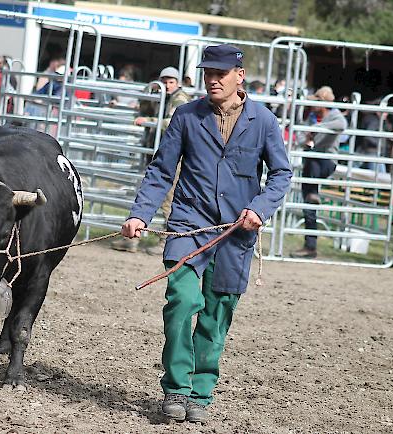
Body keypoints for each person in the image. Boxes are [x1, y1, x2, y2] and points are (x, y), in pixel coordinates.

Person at [120, 44, 292, 423]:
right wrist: (140, 214)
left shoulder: (263, 120)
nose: (212, 79)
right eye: (207, 73)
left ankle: (200, 392)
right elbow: (162, 171)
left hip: (237, 230)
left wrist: (259, 209)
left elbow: (281, 173)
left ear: (239, 75)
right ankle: (177, 388)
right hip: (188, 222)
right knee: (181, 300)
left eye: (220, 73)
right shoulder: (186, 116)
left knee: (217, 313)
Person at [112, 66, 191, 254]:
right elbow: (144, 105)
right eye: (164, 81)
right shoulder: (160, 96)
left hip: (174, 155)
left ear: (177, 83)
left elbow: (173, 121)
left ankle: (166, 240)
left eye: (171, 82)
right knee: (144, 193)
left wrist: (150, 120)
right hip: (155, 151)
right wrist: (150, 93)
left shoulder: (180, 99)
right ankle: (132, 238)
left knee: (167, 198)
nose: (167, 85)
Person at [291, 85, 347, 259]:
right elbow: (300, 137)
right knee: (309, 203)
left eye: (316, 102)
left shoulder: (334, 116)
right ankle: (310, 246)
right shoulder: (312, 118)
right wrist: (309, 133)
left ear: (322, 103)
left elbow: (341, 124)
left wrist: (316, 129)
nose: (312, 105)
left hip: (326, 161)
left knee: (312, 158)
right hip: (312, 163)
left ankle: (310, 245)